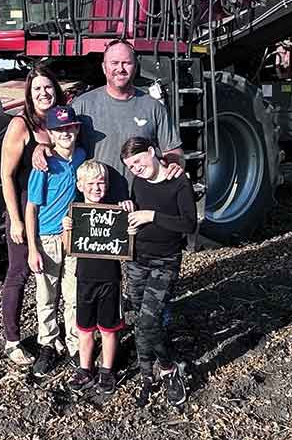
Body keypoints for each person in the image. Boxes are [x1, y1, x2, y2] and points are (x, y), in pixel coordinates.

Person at [34, 39, 184, 201]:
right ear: (104, 68)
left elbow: (173, 150)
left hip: (142, 203)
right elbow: (62, 142)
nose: (120, 69)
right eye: (114, 63)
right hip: (97, 206)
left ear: (135, 67)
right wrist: (42, 148)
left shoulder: (153, 107)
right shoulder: (82, 106)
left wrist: (174, 162)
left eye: (126, 63)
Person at [120, 136, 196, 408]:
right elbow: (133, 211)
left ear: (152, 152)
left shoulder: (178, 182)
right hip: (137, 260)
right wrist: (128, 210)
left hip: (165, 262)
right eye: (130, 166)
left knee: (148, 323)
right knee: (142, 320)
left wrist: (151, 216)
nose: (136, 168)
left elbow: (188, 223)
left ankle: (164, 370)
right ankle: (149, 374)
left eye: (138, 161)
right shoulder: (138, 183)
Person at [0, 66, 66, 367]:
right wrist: (14, 219)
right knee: (19, 273)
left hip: (57, 211)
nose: (43, 93)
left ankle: (53, 333)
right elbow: (7, 174)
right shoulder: (21, 124)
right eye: (37, 88)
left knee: (57, 273)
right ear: (29, 93)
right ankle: (12, 340)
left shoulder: (62, 120)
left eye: (48, 87)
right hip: (27, 208)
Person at [25, 105, 86, 377]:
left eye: (69, 128)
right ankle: (48, 343)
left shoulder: (82, 157)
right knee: (47, 295)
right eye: (59, 129)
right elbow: (32, 208)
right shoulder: (44, 164)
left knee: (73, 294)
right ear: (49, 133)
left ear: (77, 129)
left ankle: (74, 344)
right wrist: (32, 247)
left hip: (72, 235)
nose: (65, 133)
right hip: (47, 238)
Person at [62, 160, 129, 395]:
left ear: (107, 185)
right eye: (90, 183)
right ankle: (84, 369)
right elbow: (68, 247)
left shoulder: (116, 212)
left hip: (110, 279)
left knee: (109, 329)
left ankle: (107, 370)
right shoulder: (76, 213)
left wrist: (129, 225)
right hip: (84, 279)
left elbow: (127, 243)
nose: (96, 188)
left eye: (101, 183)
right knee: (85, 328)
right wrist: (66, 229)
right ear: (80, 185)